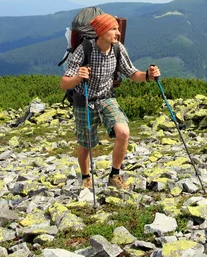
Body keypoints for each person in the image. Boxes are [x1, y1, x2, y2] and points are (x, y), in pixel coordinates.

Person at [60, 13, 160, 190]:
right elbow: (64, 83)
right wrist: (78, 78)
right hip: (84, 101)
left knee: (123, 132)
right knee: (86, 145)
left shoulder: (118, 48)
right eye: (113, 29)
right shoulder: (84, 49)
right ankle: (86, 178)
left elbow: (132, 74)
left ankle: (114, 175)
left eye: (117, 29)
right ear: (101, 31)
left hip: (107, 98)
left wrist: (148, 76)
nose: (118, 33)